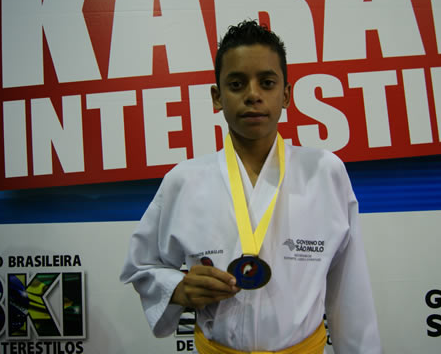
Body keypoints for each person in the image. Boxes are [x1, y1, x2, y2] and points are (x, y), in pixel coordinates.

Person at [120, 20, 382, 353]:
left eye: (267, 83)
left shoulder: (324, 172)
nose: (253, 95)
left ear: (286, 95)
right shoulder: (184, 181)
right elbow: (141, 265)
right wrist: (178, 288)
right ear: (217, 97)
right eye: (237, 84)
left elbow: (350, 289)